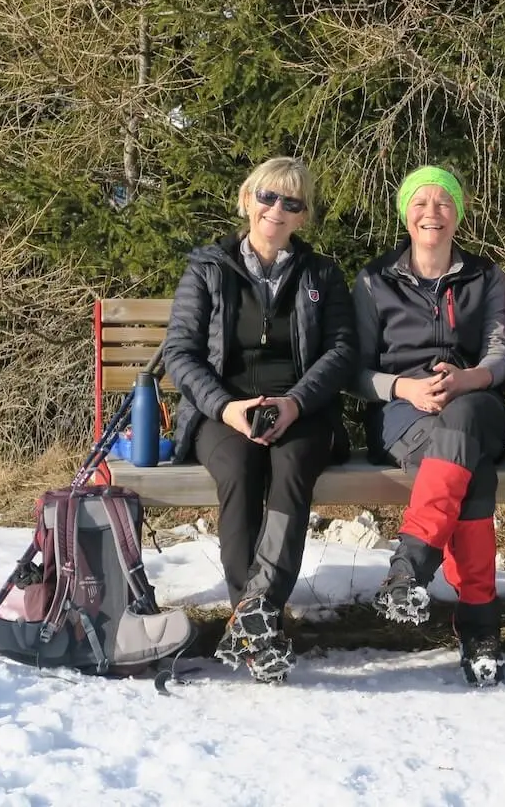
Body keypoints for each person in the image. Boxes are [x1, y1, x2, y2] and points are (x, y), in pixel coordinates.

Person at [164, 156, 357, 683]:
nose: (277, 209)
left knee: (292, 471)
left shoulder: (321, 274)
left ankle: (256, 612)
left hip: (302, 410)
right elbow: (180, 353)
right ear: (248, 199)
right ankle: (254, 621)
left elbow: (340, 352)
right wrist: (227, 407)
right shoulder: (207, 268)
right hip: (222, 411)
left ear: (302, 216)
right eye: (268, 197)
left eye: (291, 203)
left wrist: (294, 402)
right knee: (241, 472)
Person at [351, 165, 505, 687]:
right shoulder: (375, 280)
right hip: (401, 411)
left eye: (444, 203)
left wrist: (470, 379)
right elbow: (355, 370)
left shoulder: (487, 277)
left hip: (477, 401)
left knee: (463, 421)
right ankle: (479, 625)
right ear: (405, 213)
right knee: (472, 474)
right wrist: (404, 388)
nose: (432, 212)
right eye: (421, 202)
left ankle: (410, 568)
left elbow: (499, 352)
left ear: (458, 214)